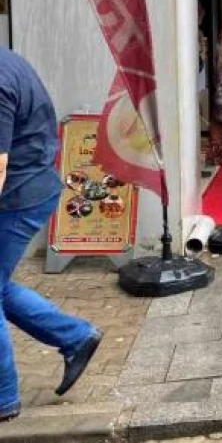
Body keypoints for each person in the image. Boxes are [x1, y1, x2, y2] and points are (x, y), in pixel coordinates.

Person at [0, 48, 102, 422]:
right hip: (26, 188)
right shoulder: (7, 60)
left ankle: (3, 397)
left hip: (19, 196)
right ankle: (75, 337)